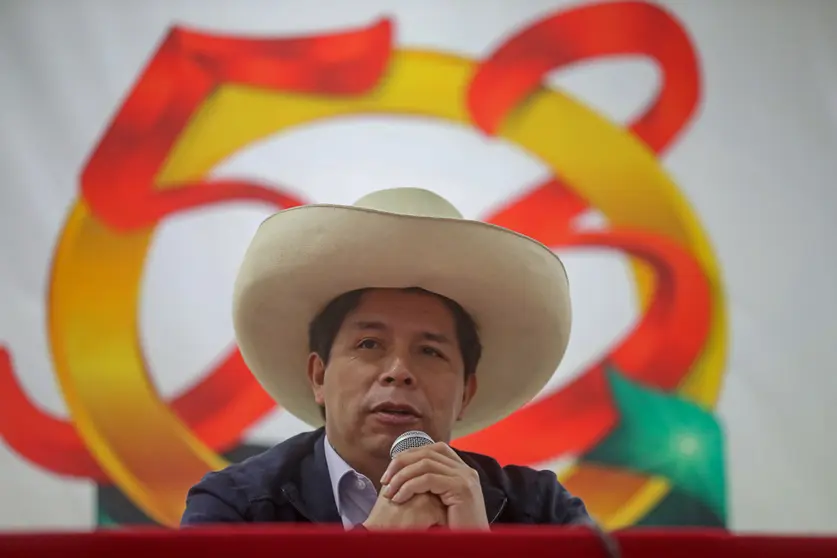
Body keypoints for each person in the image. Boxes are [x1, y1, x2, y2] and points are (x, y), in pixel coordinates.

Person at [180, 187, 592, 530]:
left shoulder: (542, 511)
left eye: (430, 351)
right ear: (319, 375)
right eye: (369, 345)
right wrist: (374, 545)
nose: (399, 372)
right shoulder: (237, 507)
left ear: (466, 392)